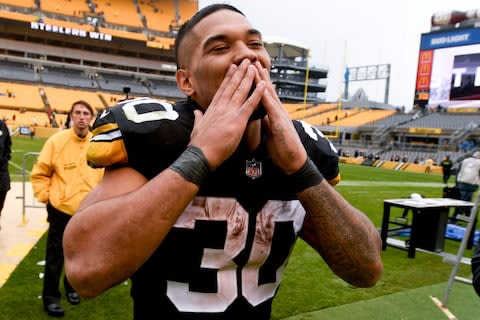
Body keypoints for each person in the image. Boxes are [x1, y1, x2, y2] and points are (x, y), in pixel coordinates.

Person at [63, 4, 383, 320]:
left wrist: (302, 169)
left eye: (256, 44)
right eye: (220, 47)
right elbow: (85, 271)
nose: (248, 55)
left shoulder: (303, 149)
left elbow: (366, 270)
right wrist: (199, 157)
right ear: (187, 82)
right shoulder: (162, 136)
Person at [30, 100, 104, 317]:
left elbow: (105, 175)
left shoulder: (99, 143)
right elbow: (40, 173)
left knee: (81, 255)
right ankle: (51, 298)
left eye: (85, 113)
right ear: (71, 116)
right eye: (78, 113)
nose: (82, 117)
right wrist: (47, 198)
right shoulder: (57, 141)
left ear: (91, 118)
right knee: (55, 256)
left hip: (88, 211)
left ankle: (72, 288)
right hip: (61, 210)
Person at [453, 151, 480, 220]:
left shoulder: (465, 161)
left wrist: (457, 182)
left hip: (462, 182)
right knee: (465, 201)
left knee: (464, 200)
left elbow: (458, 171)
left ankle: (466, 216)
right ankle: (457, 216)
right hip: (472, 184)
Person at [0, 119, 11, 231]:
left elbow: (8, 145)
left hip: (1, 172)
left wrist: (5, 159)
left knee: (2, 193)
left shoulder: (2, 125)